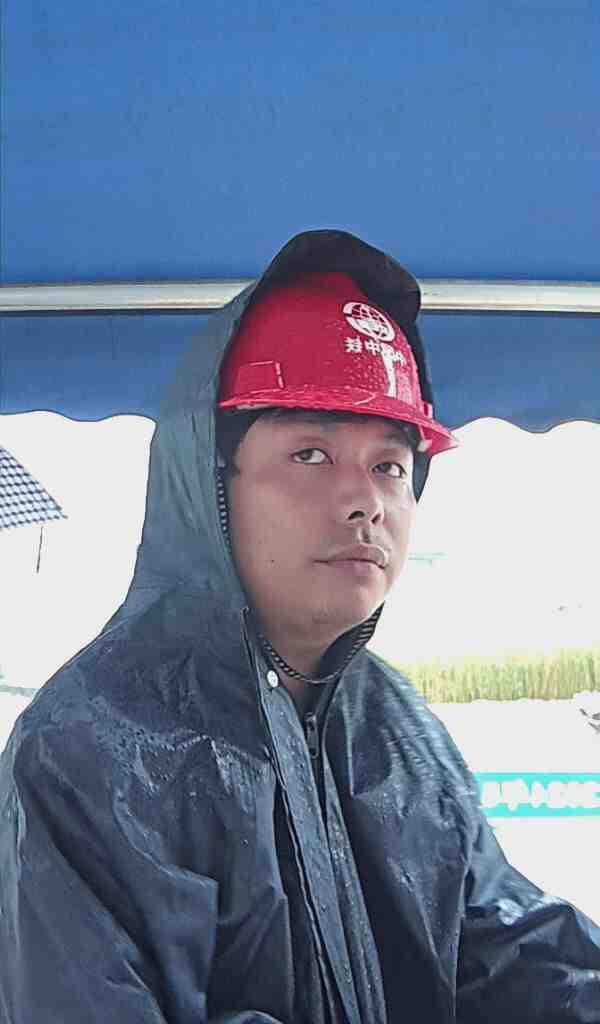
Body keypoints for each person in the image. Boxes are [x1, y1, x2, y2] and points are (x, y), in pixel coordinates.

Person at [0, 229, 598, 1024]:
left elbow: (505, 946)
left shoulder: (399, 727)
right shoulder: (85, 754)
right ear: (209, 482)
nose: (364, 501)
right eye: (311, 454)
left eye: (389, 465)